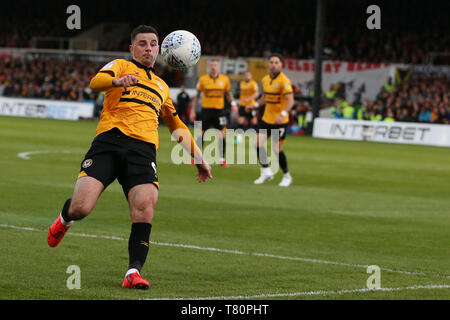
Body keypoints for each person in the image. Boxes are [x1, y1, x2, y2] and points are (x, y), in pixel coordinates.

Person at [46, 25, 212, 290]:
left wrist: (198, 156)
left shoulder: (161, 86)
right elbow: (95, 82)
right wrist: (117, 81)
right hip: (109, 143)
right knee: (81, 208)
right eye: (143, 44)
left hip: (143, 151)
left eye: (153, 44)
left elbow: (175, 123)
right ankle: (65, 219)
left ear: (160, 49)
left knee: (146, 207)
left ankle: (133, 272)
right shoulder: (121, 66)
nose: (148, 48)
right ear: (132, 48)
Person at [246, 53, 294, 187]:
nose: (273, 65)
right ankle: (266, 172)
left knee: (276, 149)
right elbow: (265, 98)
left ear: (281, 64)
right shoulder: (265, 79)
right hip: (267, 119)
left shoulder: (284, 81)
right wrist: (254, 105)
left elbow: (290, 100)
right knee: (257, 144)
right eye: (271, 62)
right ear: (268, 64)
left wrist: (283, 113)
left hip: (280, 121)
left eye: (276, 62)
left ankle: (286, 175)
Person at [189, 59, 238, 167]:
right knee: (200, 133)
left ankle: (221, 159)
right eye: (211, 65)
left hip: (219, 111)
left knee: (222, 134)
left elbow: (228, 94)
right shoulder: (203, 79)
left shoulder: (224, 79)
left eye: (215, 65)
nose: (213, 67)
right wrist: (192, 110)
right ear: (208, 67)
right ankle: (197, 159)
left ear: (218, 67)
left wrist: (234, 104)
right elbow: (197, 96)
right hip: (205, 111)